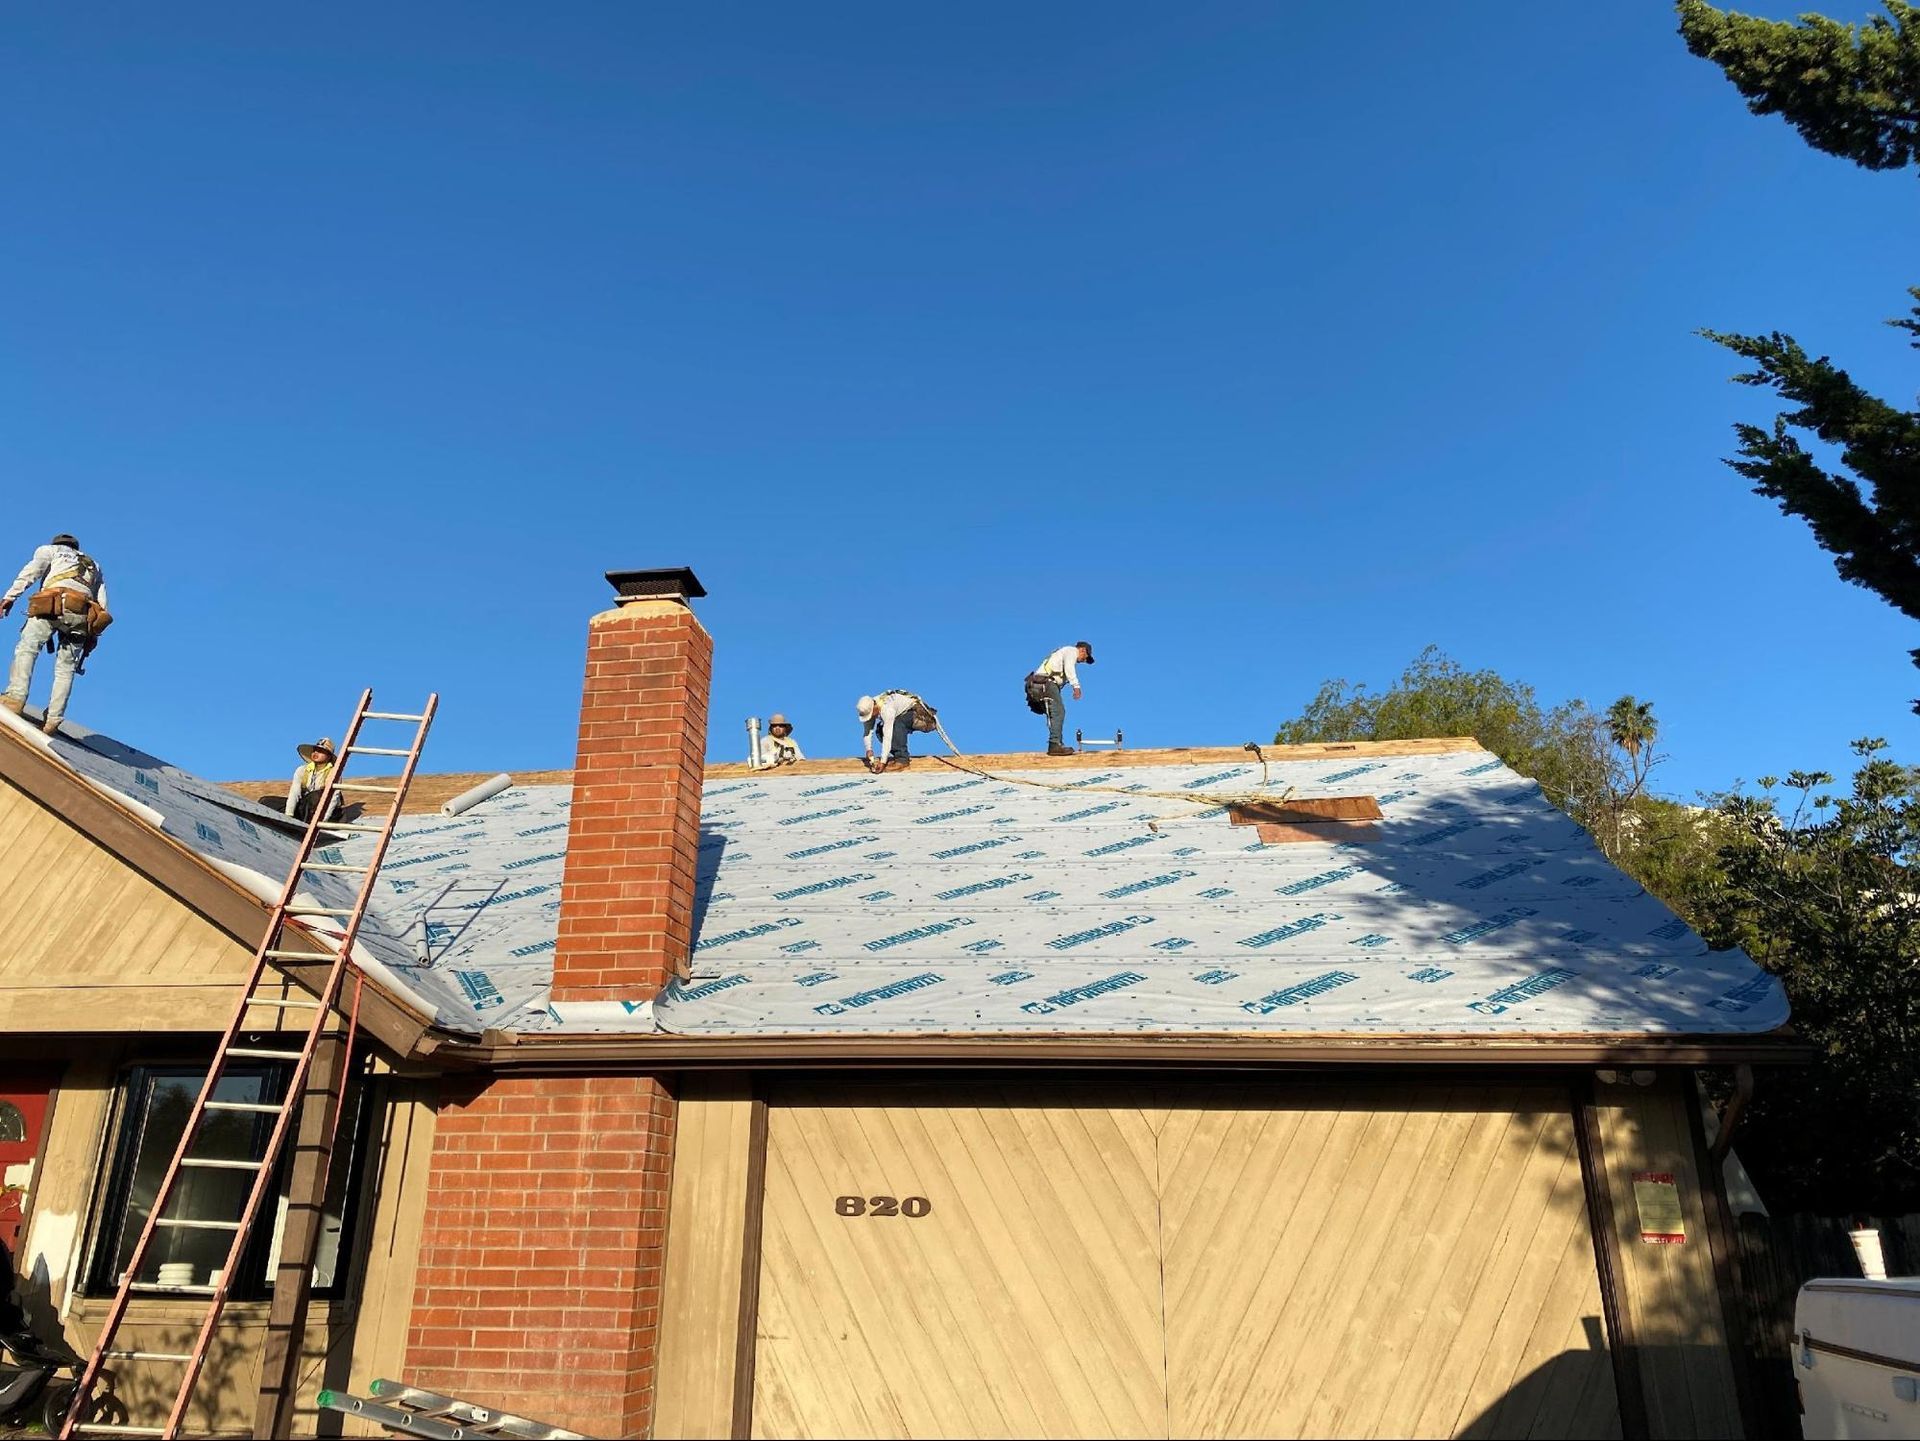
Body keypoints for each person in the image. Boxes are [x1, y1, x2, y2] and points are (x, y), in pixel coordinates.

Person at [0, 534, 112, 737]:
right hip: (81, 616)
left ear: (58, 544)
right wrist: (93, 635)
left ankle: (15, 698)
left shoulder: (49, 551)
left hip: (53, 606)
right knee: (66, 669)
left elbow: (31, 573)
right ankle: (53, 719)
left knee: (28, 648)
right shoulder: (94, 565)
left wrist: (9, 597)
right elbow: (102, 602)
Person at [1025, 640, 1095, 756]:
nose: (1084, 661)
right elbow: (1069, 668)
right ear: (1082, 650)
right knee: (1058, 712)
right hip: (1046, 683)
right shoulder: (1071, 651)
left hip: (1038, 684)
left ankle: (1057, 743)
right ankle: (1055, 745)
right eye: (1086, 657)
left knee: (1055, 713)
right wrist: (1076, 687)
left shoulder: (1062, 652)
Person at [857, 691, 933, 773]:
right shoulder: (870, 707)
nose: (871, 717)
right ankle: (898, 756)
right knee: (879, 731)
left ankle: (902, 760)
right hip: (902, 715)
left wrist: (883, 762)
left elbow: (887, 736)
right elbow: (867, 731)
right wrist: (869, 749)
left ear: (874, 707)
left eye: (871, 714)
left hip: (922, 716)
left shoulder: (887, 709)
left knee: (897, 723)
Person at [286, 737, 343, 824]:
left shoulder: (333, 773)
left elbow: (333, 799)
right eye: (315, 750)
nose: (316, 753)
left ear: (328, 756)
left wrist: (322, 821)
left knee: (314, 796)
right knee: (269, 801)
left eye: (320, 751)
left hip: (328, 812)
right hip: (305, 808)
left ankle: (306, 826)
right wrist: (288, 815)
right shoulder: (302, 770)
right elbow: (294, 793)